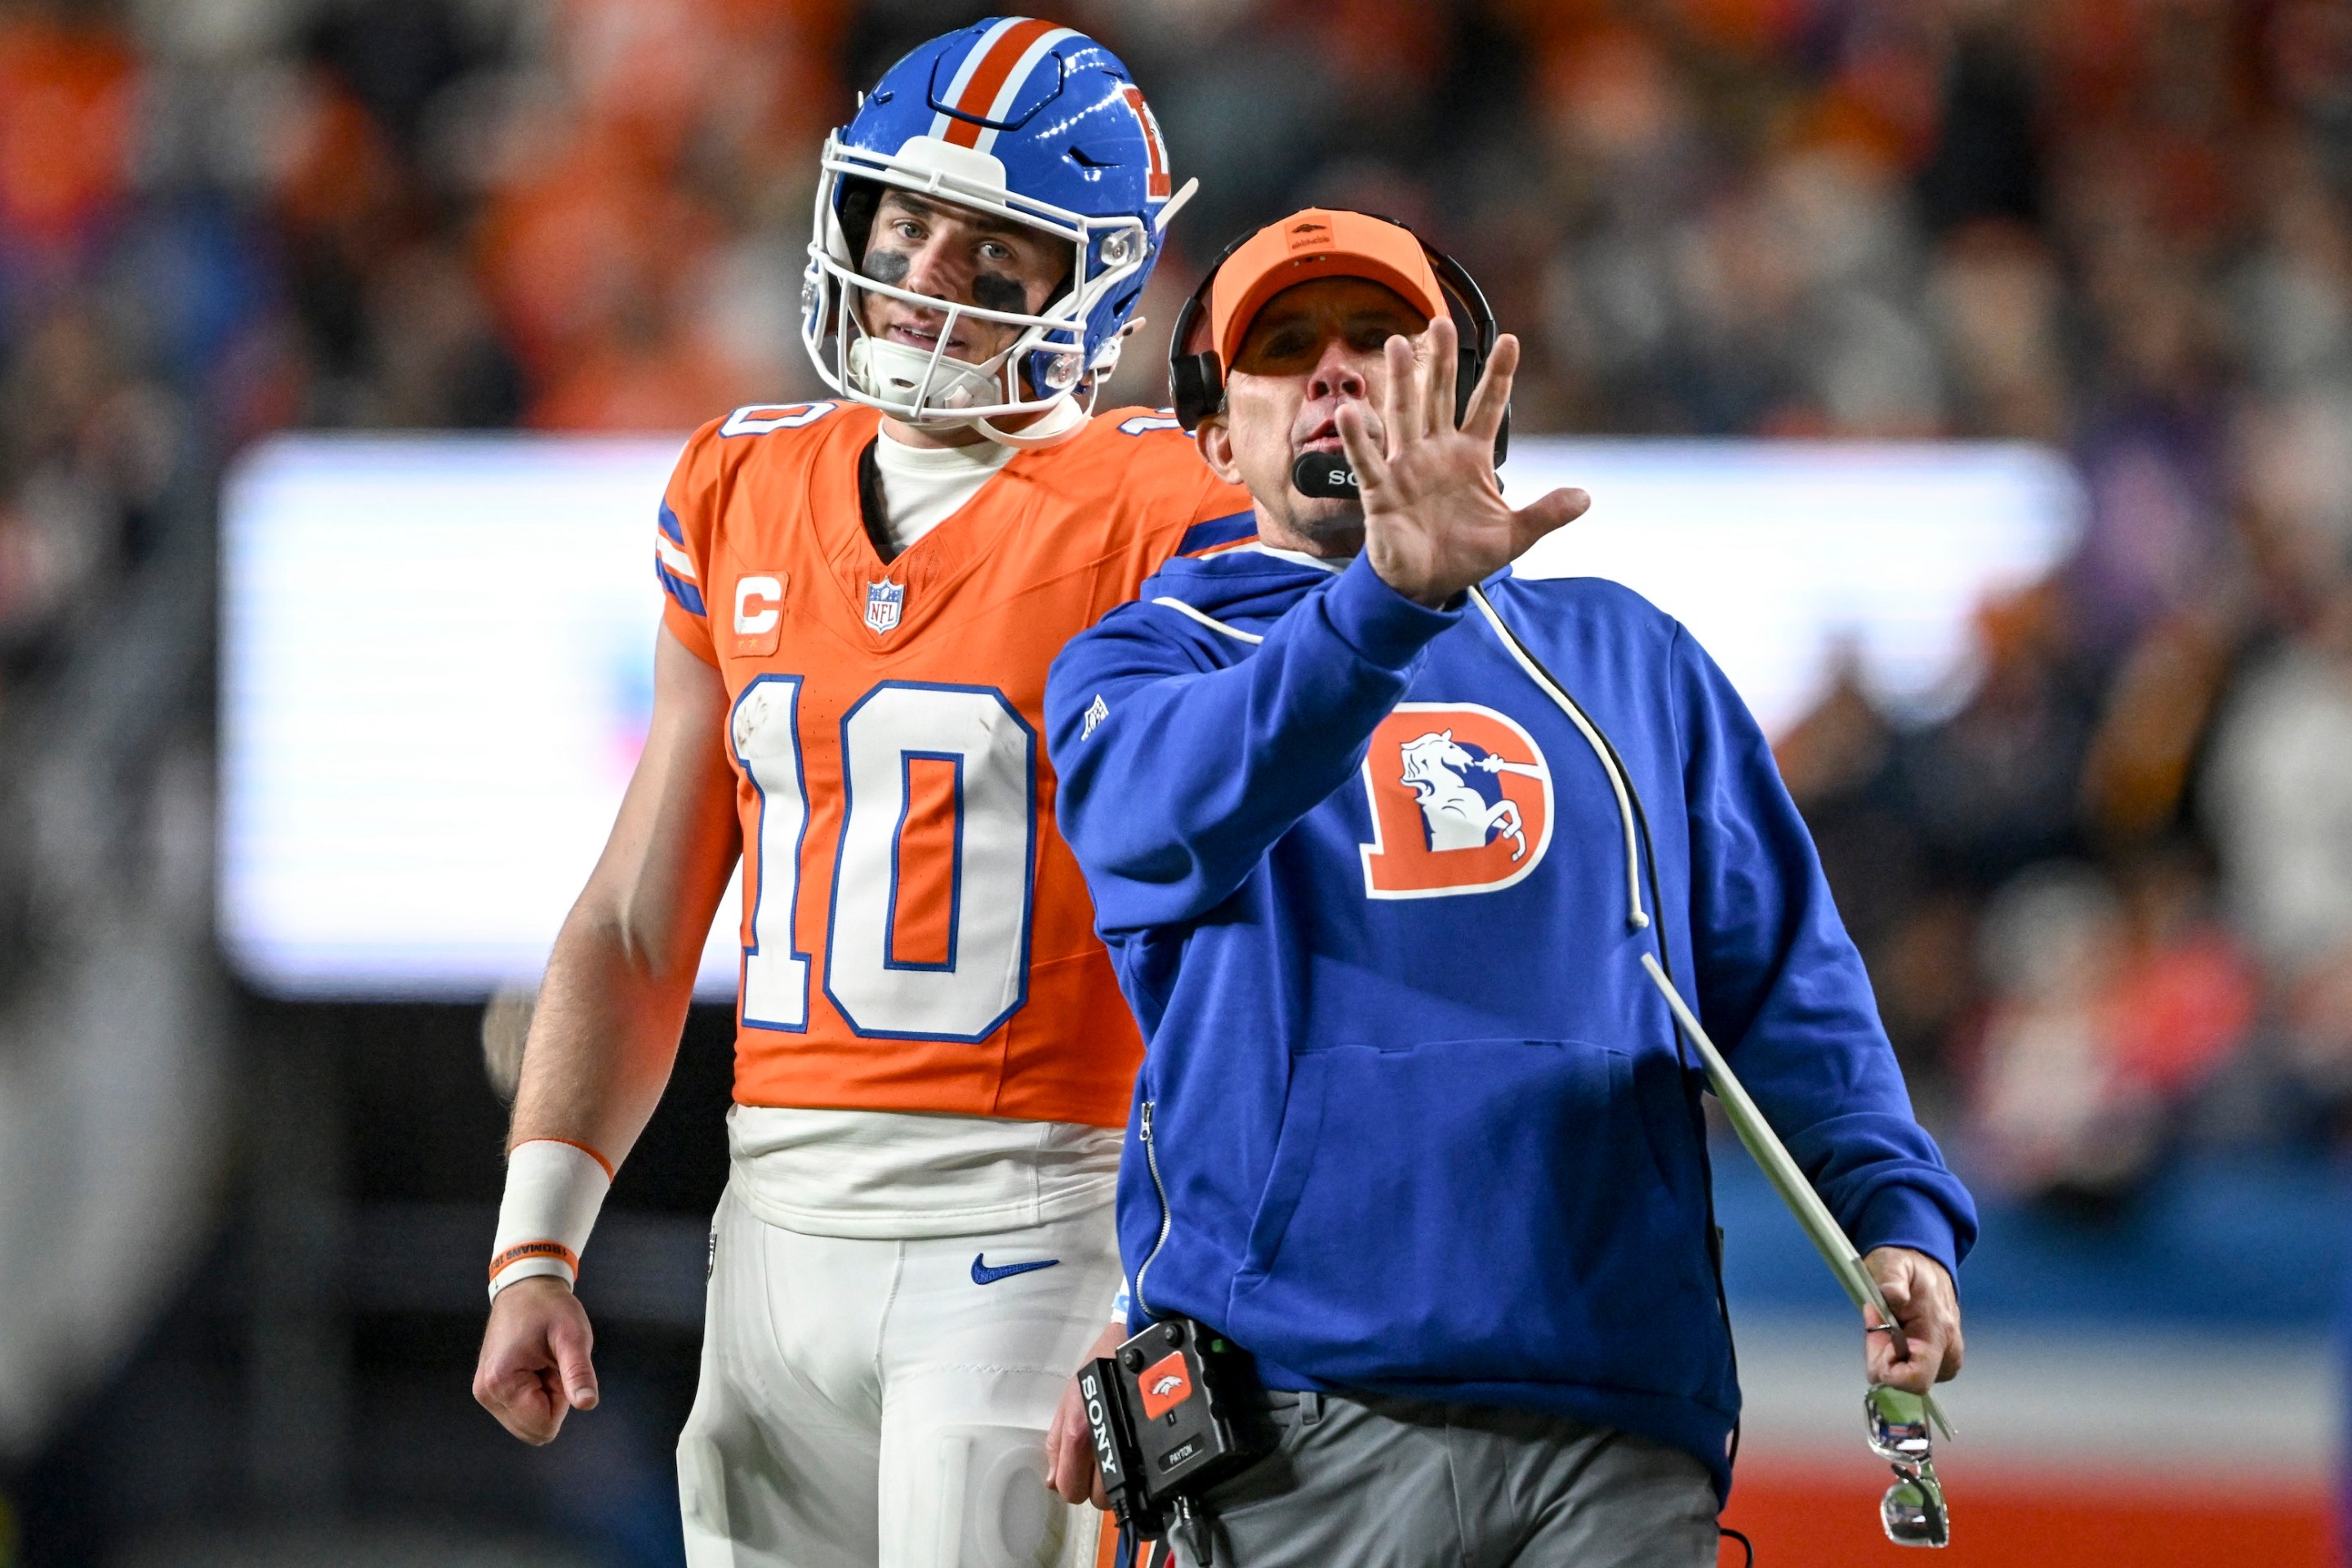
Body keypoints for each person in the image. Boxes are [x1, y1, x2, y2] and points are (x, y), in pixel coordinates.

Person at [1040, 209, 1976, 1565]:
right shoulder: (1144, 661)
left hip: (1617, 1402)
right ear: (1213, 440)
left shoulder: (1629, 656)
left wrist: (1888, 1212)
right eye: (1286, 347)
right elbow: (1152, 825)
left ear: (1475, 396)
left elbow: (1781, 979)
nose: (1338, 371)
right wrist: (1385, 609)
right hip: (1298, 1408)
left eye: (1380, 341)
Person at [469, 21, 1251, 1568]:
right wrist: (534, 1243)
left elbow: (1249, 940)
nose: (930, 273)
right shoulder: (738, 484)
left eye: (995, 247)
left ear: (1093, 280)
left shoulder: (1175, 509)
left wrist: (1174, 1267)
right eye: (907, 221)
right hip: (769, 1228)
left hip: (1033, 1220)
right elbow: (639, 916)